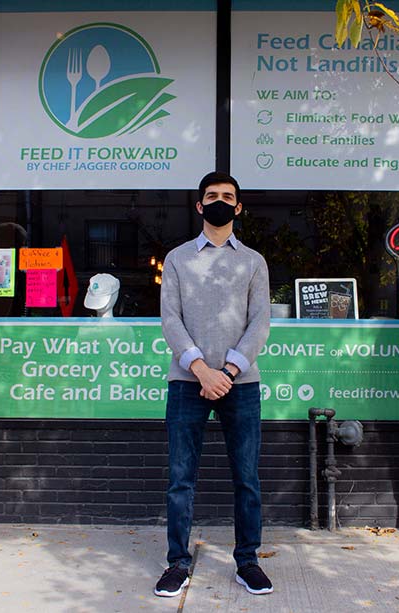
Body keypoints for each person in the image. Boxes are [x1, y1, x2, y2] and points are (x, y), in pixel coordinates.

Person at [155, 171, 272, 597]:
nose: (220, 201)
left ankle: (248, 562)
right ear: (200, 206)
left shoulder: (253, 261)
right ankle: (177, 564)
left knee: (247, 478)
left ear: (238, 207)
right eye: (212, 196)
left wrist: (228, 373)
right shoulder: (178, 258)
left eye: (228, 196)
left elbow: (260, 322)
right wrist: (202, 370)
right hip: (188, 382)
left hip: (240, 384)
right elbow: (170, 319)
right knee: (181, 478)